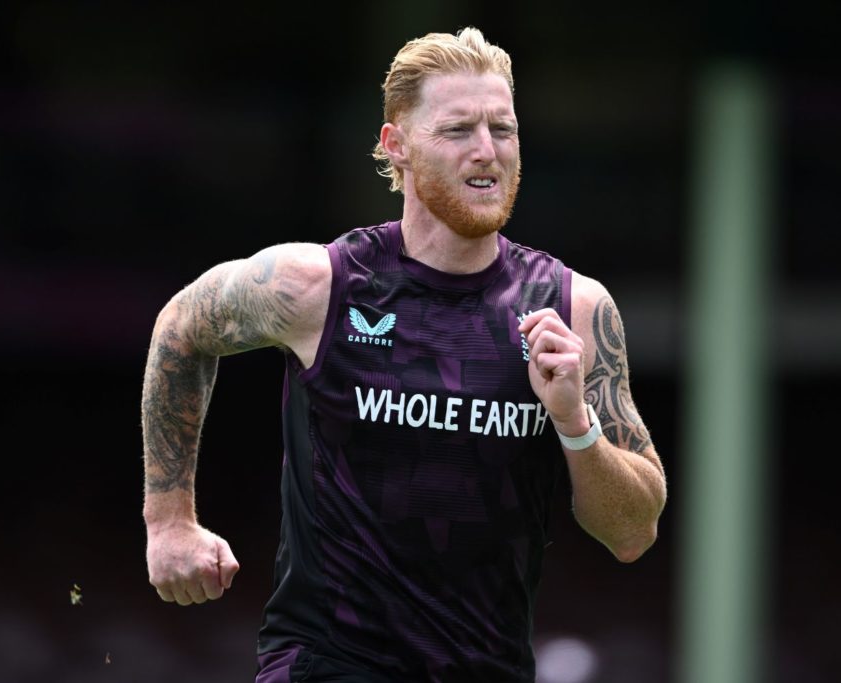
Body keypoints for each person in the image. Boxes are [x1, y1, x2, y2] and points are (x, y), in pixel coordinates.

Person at [141, 26, 667, 682]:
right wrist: (169, 519)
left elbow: (633, 530)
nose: (487, 151)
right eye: (458, 130)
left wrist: (574, 422)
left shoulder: (574, 308)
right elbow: (181, 328)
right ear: (398, 147)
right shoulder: (319, 285)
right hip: (326, 665)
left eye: (503, 130)